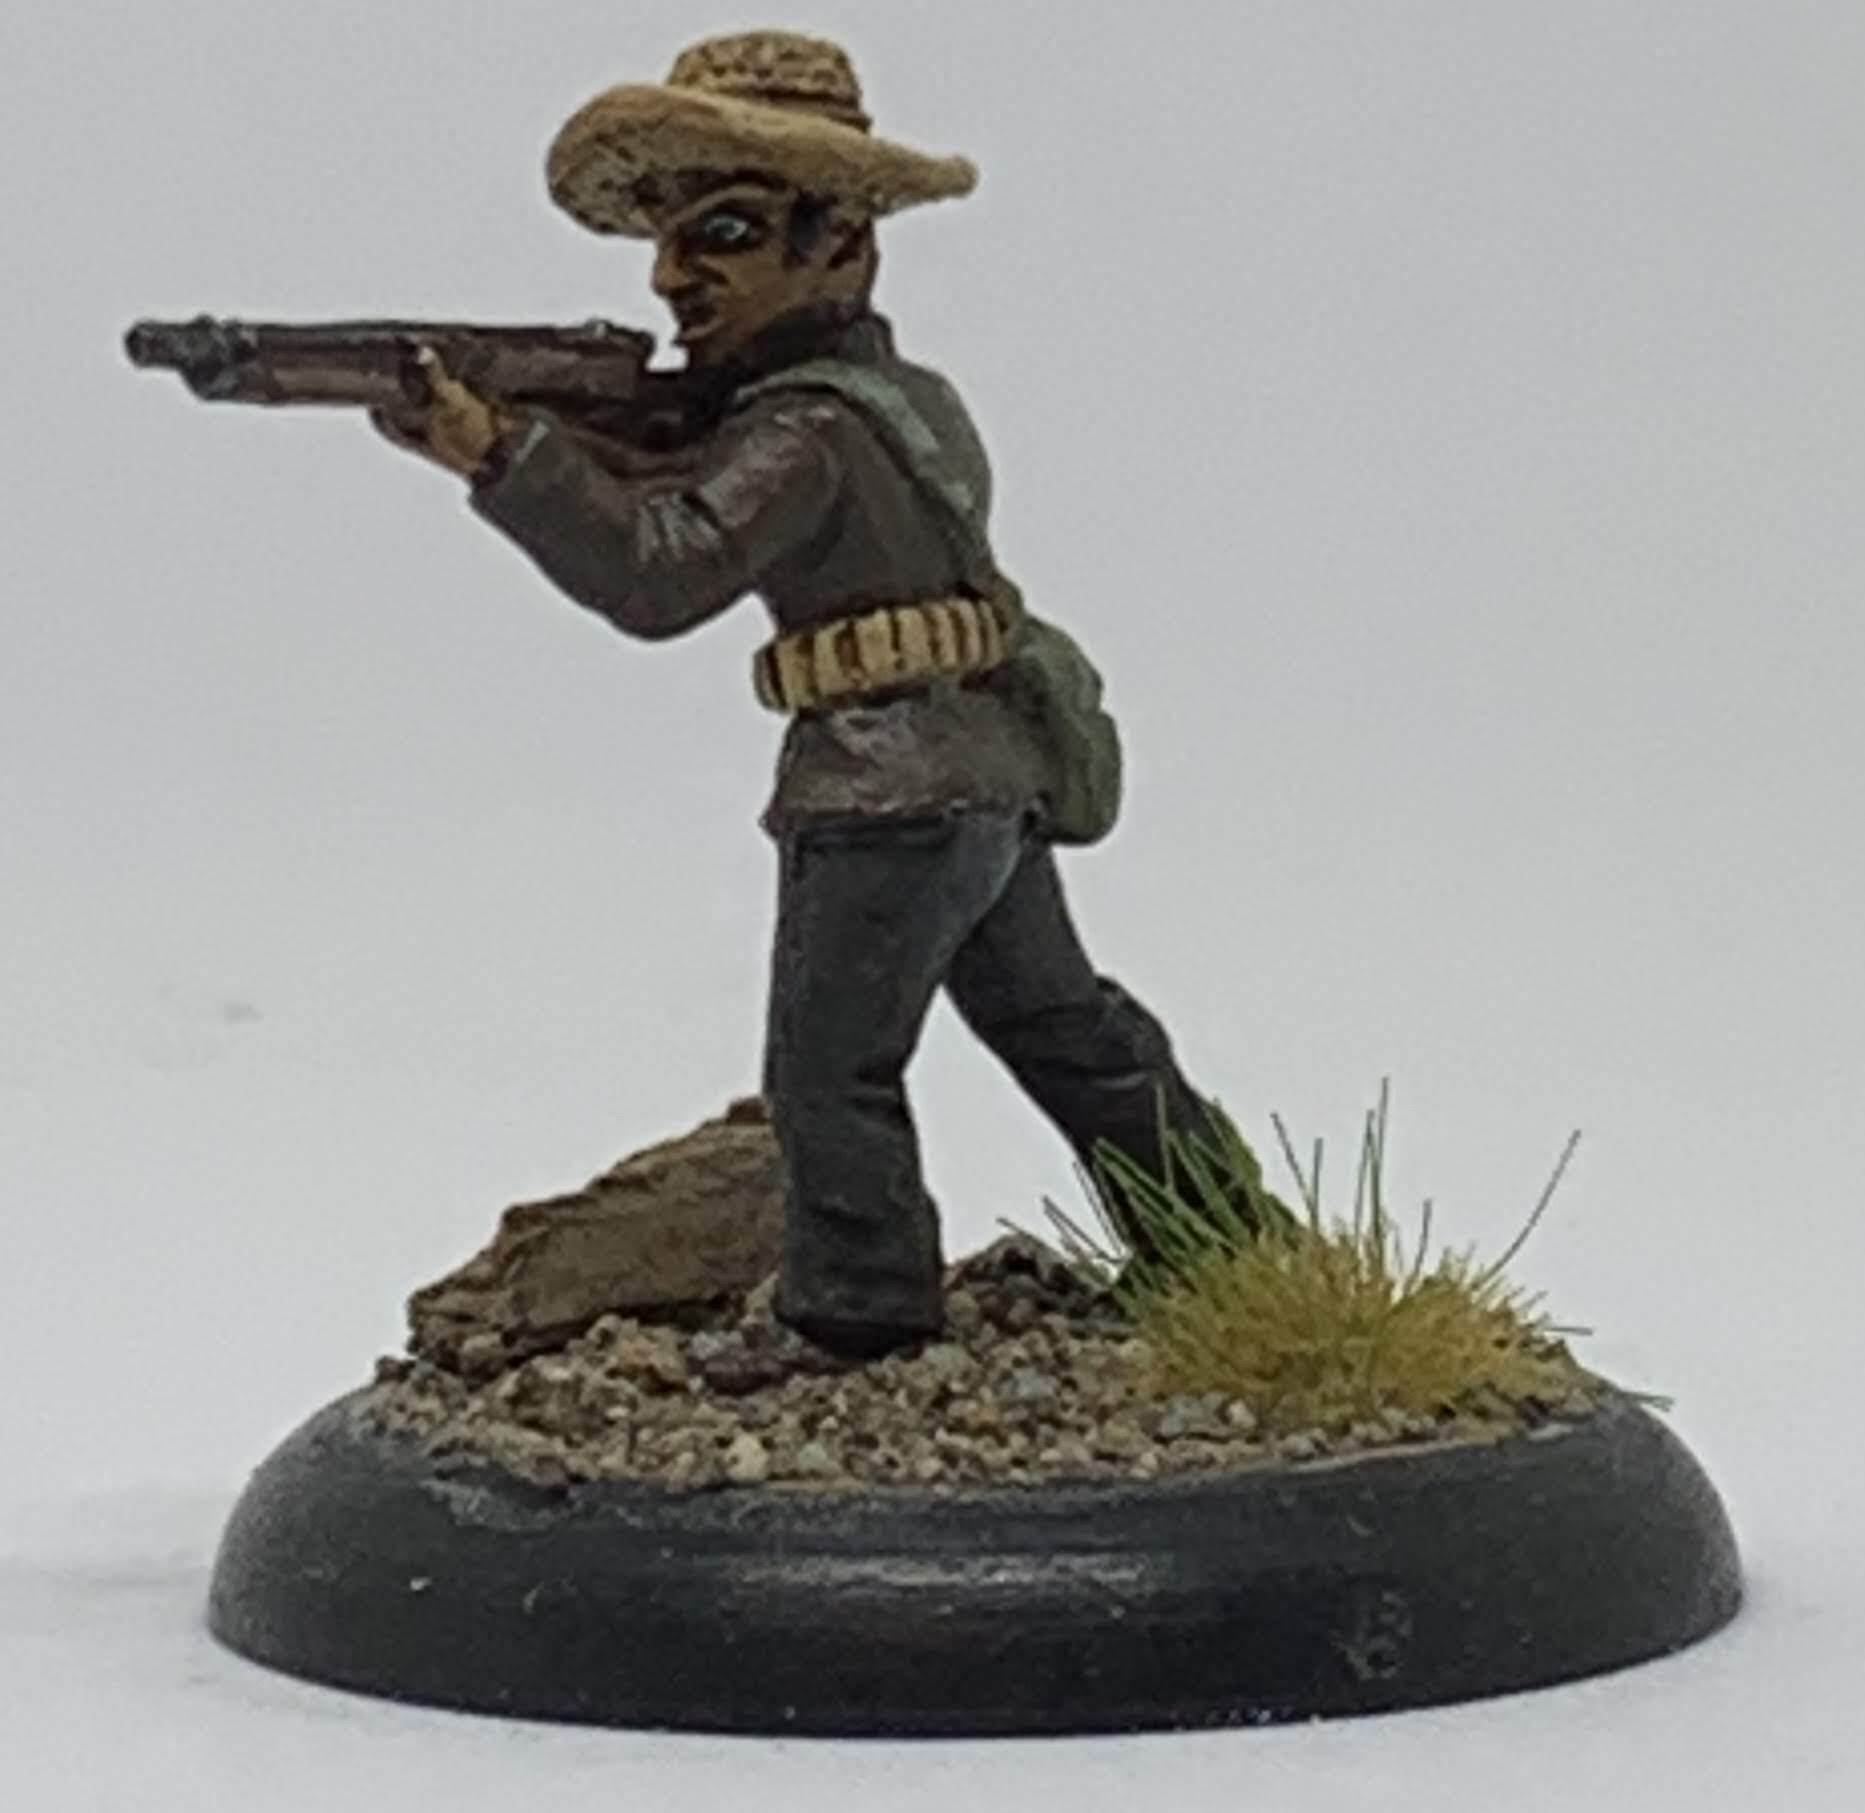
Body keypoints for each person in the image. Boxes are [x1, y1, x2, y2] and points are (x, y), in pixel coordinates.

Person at [373, 30, 1247, 1359]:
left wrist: (500, 455)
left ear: (841, 243)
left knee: (828, 1071)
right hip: (984, 768)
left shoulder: (804, 428)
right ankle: (1226, 1246)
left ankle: (855, 1312)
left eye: (722, 231)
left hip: (884, 792)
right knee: (1068, 1029)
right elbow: (684, 485)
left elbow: (660, 575)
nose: (672, 275)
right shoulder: (901, 399)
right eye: (667, 239)